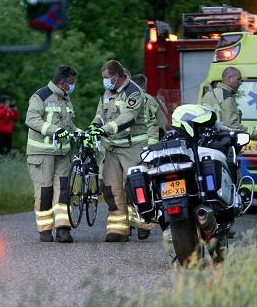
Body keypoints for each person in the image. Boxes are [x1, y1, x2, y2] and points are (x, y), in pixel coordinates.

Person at [88, 60, 153, 242]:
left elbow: (128, 117)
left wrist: (106, 129)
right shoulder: (108, 93)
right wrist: (95, 126)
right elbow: (100, 114)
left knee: (134, 186)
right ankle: (118, 230)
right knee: (111, 188)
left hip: (132, 148)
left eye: (106, 78)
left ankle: (143, 223)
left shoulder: (133, 92)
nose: (105, 82)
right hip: (112, 148)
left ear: (116, 76)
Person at [26, 65, 79, 243]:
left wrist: (80, 133)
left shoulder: (66, 99)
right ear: (63, 82)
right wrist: (54, 131)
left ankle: (63, 229)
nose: (72, 86)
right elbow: (32, 119)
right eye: (71, 82)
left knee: (63, 191)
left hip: (62, 154)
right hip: (41, 154)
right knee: (44, 192)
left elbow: (69, 126)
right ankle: (45, 230)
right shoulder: (40, 96)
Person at [200, 66, 257, 140]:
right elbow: (231, 126)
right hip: (221, 141)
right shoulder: (227, 97)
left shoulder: (209, 94)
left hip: (207, 140)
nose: (240, 83)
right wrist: (256, 133)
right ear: (230, 79)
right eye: (238, 79)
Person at [131, 74, 167, 144]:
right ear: (145, 86)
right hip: (154, 138)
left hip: (147, 140)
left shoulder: (138, 99)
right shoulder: (149, 99)